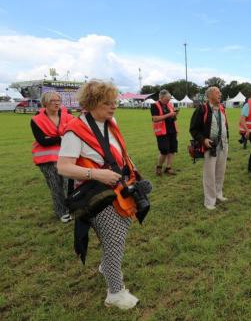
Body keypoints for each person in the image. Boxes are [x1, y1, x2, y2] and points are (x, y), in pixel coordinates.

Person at [57, 80, 140, 310]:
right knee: (113, 243)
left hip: (116, 189)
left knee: (119, 235)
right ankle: (115, 293)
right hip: (96, 195)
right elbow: (62, 167)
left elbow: (115, 152)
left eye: (114, 101)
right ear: (92, 103)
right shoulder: (75, 130)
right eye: (107, 103)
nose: (113, 106)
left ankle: (107, 267)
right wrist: (96, 174)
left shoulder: (110, 122)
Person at [31, 91, 74, 223]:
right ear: (45, 103)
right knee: (56, 187)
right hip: (46, 160)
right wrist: (61, 137)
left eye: (58, 100)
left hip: (66, 156)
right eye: (52, 101)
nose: (56, 103)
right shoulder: (36, 120)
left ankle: (72, 208)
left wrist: (53, 138)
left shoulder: (68, 116)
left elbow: (73, 133)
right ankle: (61, 212)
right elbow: (42, 141)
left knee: (69, 184)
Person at [190, 86, 229, 210]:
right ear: (209, 95)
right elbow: (193, 129)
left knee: (220, 172)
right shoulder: (202, 109)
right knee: (209, 174)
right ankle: (209, 201)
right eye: (217, 92)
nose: (220, 94)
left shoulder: (222, 108)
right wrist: (203, 140)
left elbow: (225, 125)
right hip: (210, 146)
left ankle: (218, 194)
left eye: (219, 92)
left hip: (223, 145)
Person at [151, 89, 178, 176]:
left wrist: (174, 115)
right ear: (161, 97)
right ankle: (158, 167)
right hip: (162, 131)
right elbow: (155, 119)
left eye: (169, 99)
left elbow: (172, 118)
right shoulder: (154, 105)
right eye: (167, 99)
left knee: (172, 149)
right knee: (164, 150)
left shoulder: (169, 105)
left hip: (172, 130)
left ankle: (168, 168)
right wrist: (169, 114)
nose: (168, 101)